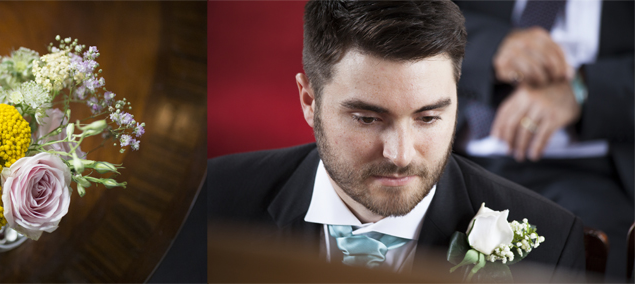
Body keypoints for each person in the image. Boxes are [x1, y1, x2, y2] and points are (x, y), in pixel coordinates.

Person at [206, 1, 585, 281]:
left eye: (428, 118)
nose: (400, 155)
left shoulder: (549, 244)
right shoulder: (210, 200)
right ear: (309, 101)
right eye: (368, 118)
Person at [453, 1, 633, 279]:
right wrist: (488, 46)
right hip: (456, 157)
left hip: (595, 173)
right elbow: (390, 11)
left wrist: (586, 91)